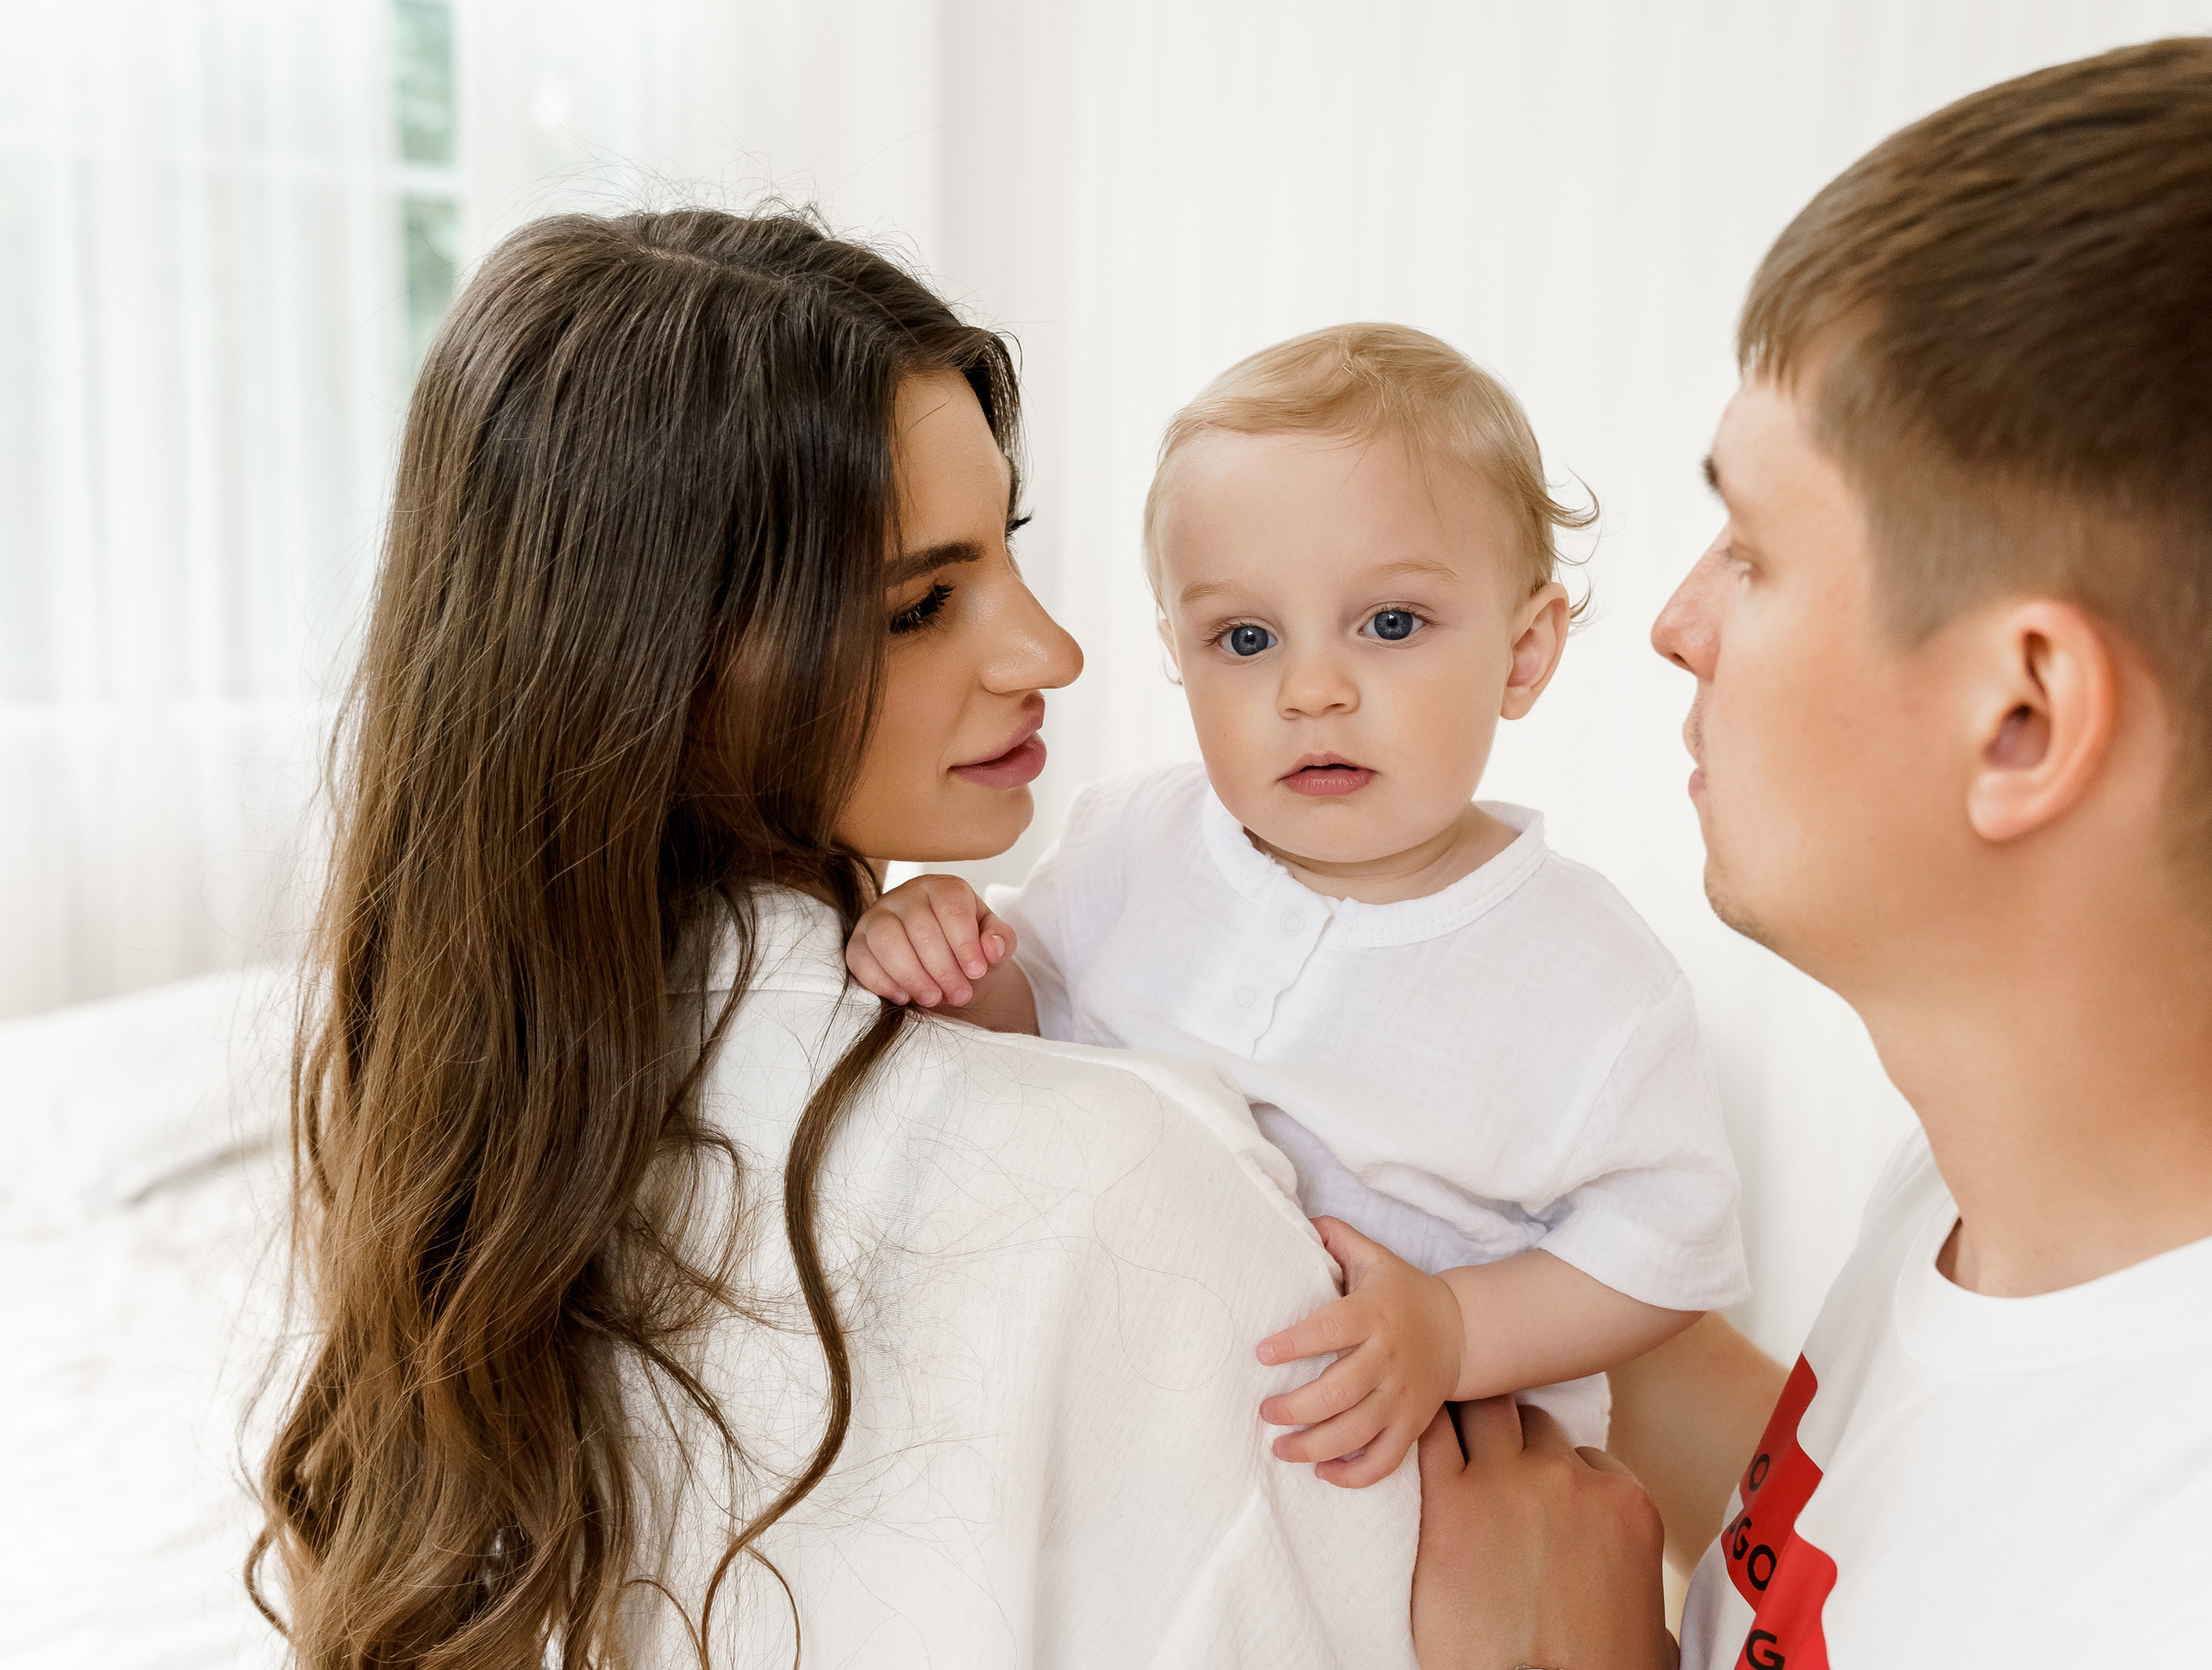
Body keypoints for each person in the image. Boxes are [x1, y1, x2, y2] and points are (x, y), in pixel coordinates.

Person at [1417, 33, 2212, 1669]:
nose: (1674, 621)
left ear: (2021, 717)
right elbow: (1908, 1530)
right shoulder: (2007, 1182)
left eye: (1756, 549)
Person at [249, 208, 1418, 1667]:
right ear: (650, 668)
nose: (1050, 650)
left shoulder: (455, 1146)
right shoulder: (1135, 1183)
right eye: (924, 603)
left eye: (1008, 552)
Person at [845, 323, 1745, 1480]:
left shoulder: (1589, 977)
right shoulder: (1135, 838)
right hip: (1129, 1438)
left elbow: (1667, 1247)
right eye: (1247, 637)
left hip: (1398, 1486)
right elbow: (1034, 1026)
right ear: (1177, 652)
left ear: (1523, 653)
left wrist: (1462, 1328)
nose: (1313, 691)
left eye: (1390, 624)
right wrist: (945, 953)